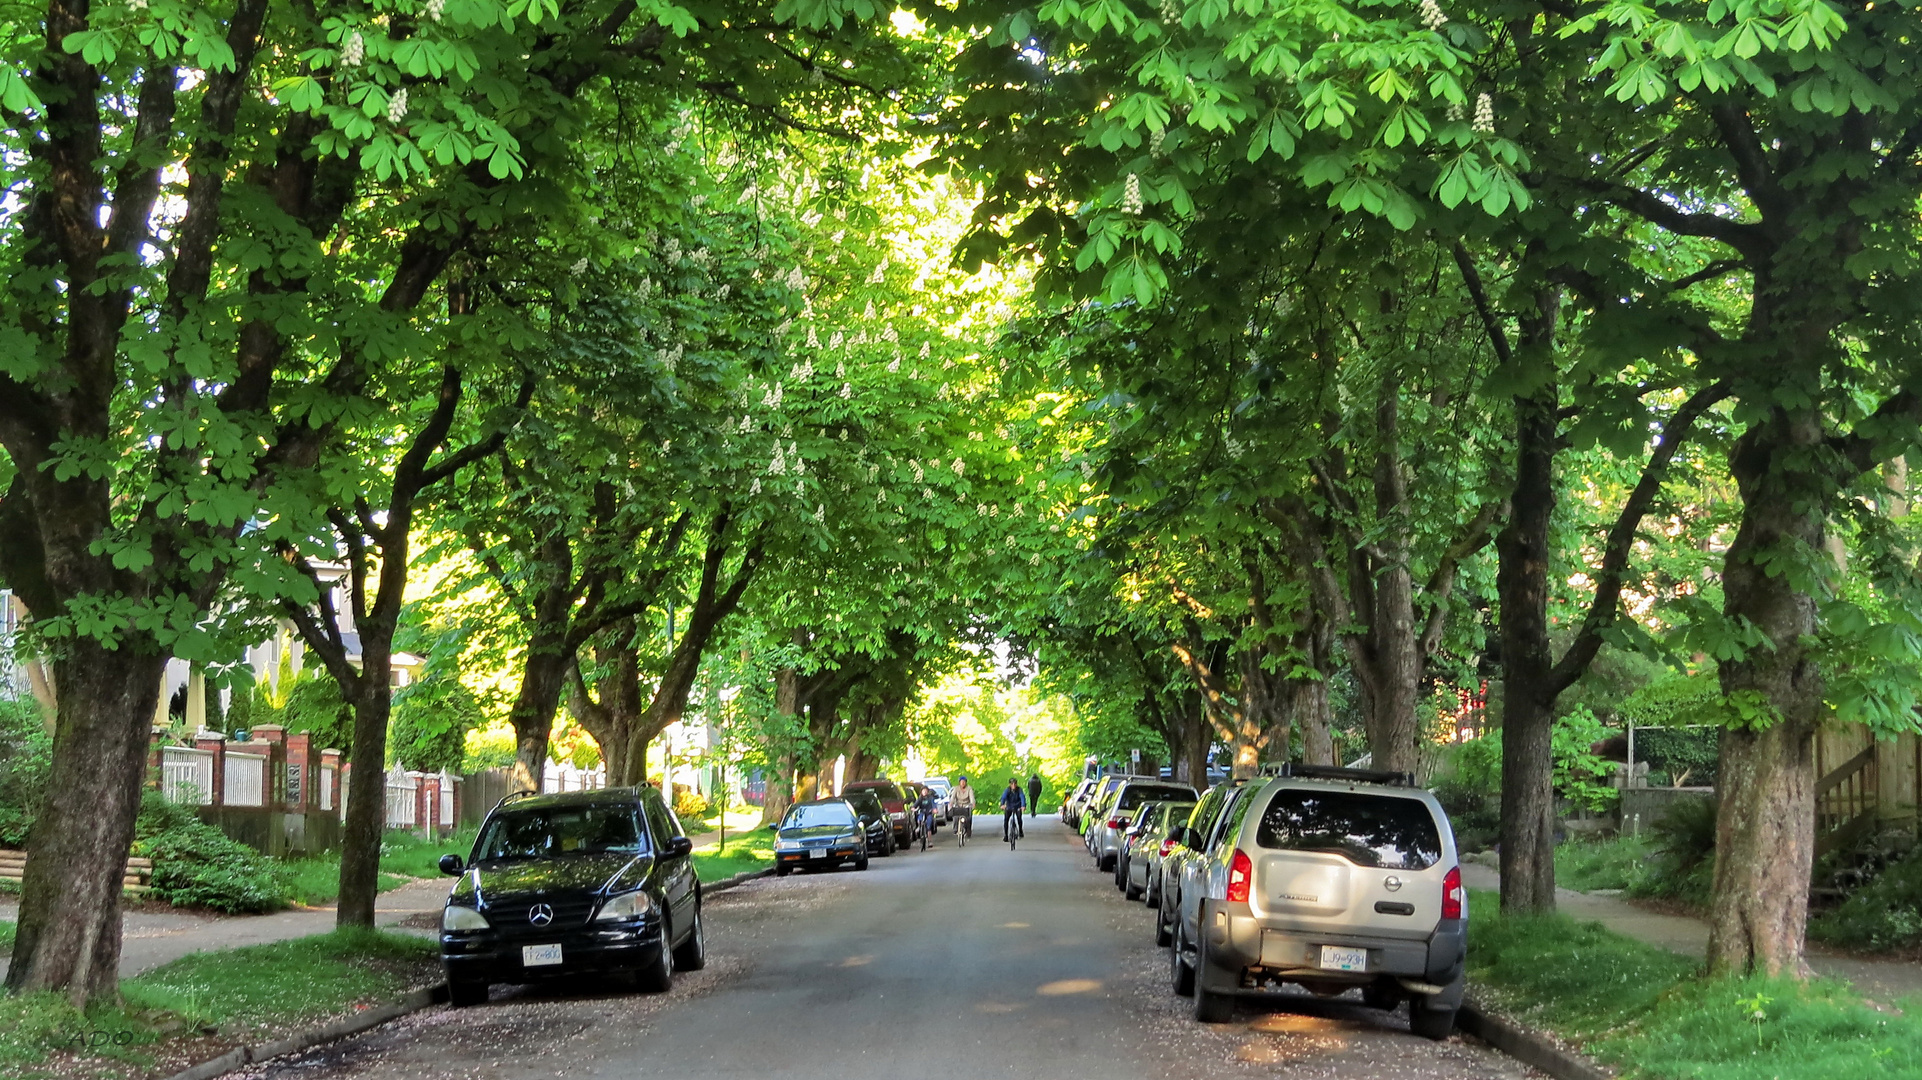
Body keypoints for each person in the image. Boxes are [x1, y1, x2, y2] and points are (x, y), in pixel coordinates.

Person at [950, 775, 975, 840]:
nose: (963, 783)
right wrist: (951, 803)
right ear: (959, 782)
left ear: (966, 782)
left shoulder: (969, 788)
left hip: (966, 804)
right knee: (955, 816)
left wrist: (972, 804)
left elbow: (971, 797)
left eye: (964, 782)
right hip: (958, 804)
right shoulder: (956, 788)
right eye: (961, 782)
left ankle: (968, 831)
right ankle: (955, 829)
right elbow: (953, 797)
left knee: (968, 818)